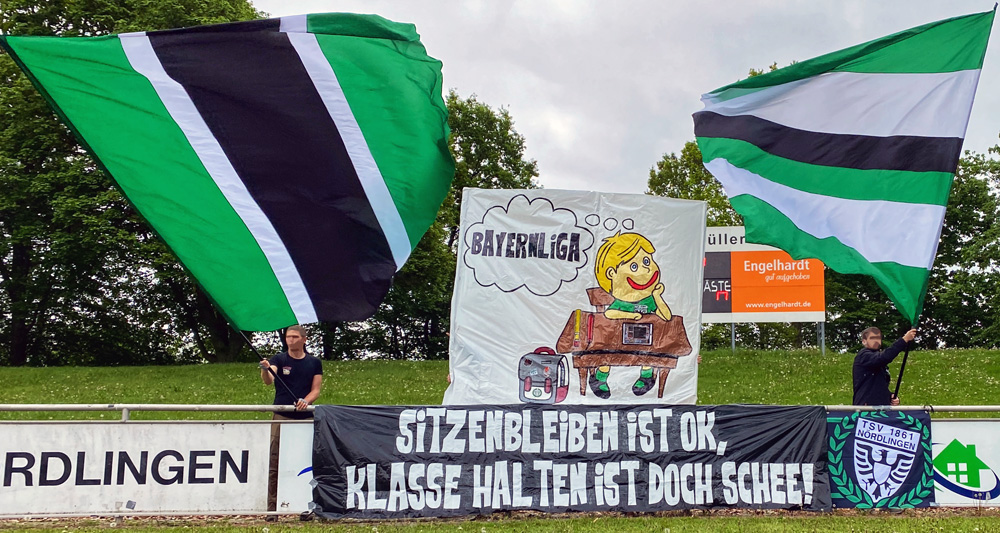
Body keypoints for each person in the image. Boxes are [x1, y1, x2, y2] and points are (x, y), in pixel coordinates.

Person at [591, 231, 674, 398]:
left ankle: (646, 375)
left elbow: (666, 316)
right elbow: (610, 313)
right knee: (607, 349)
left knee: (648, 351)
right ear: (611, 274)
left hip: (644, 341)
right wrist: (630, 316)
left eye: (647, 261)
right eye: (634, 267)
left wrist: (657, 296)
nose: (645, 269)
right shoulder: (622, 301)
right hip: (618, 340)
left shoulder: (649, 300)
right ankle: (600, 376)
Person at [260, 325, 322, 521]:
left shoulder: (314, 362)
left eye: (295, 337)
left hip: (305, 418)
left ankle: (306, 508)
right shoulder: (279, 359)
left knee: (306, 463)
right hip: (282, 415)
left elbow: (316, 390)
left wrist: (306, 401)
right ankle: (272, 510)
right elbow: (269, 380)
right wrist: (265, 370)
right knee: (275, 461)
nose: (290, 340)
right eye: (288, 337)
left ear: (304, 339)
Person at [853, 327, 917, 406]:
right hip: (866, 408)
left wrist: (890, 396)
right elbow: (884, 357)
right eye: (872, 338)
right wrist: (904, 340)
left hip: (880, 408)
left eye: (878, 338)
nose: (876, 340)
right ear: (864, 341)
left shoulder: (879, 362)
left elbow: (877, 386)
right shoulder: (864, 356)